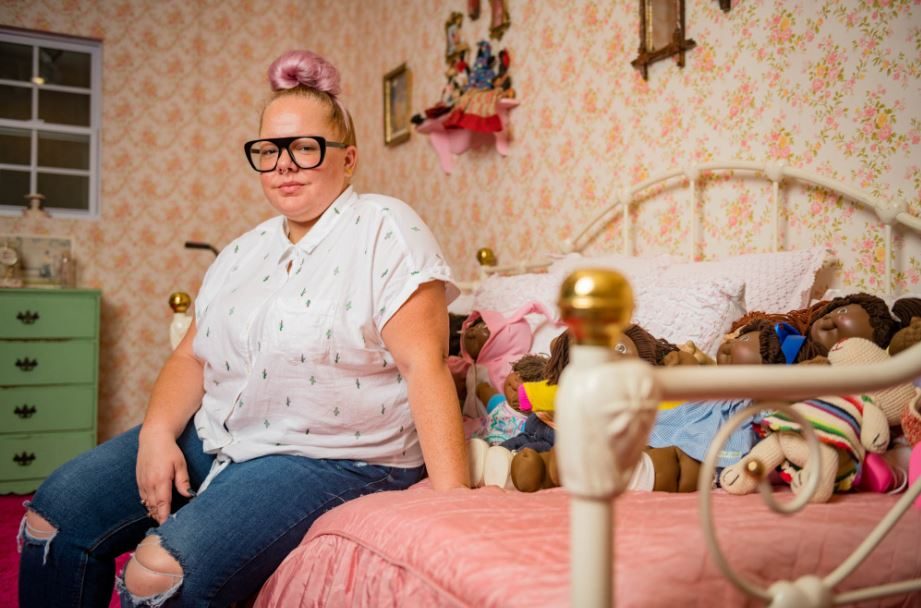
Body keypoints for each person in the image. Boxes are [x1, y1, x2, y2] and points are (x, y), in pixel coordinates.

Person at [18, 49, 468, 607]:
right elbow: (190, 358)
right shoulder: (242, 250)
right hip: (220, 432)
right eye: (268, 150)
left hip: (330, 456)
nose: (283, 164)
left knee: (157, 575)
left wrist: (455, 503)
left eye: (305, 147)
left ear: (347, 159)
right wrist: (157, 434)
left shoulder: (385, 228)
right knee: (53, 515)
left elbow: (422, 365)